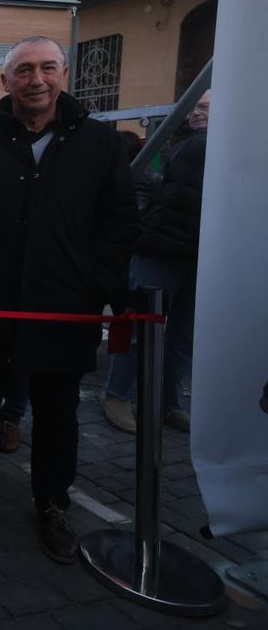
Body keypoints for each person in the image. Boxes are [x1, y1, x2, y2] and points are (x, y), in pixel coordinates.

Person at [0, 36, 138, 565]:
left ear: (65, 74)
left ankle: (52, 504)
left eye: (48, 68)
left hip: (62, 310)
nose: (36, 80)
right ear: (6, 81)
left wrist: (94, 283)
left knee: (57, 414)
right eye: (24, 70)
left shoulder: (101, 145)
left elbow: (118, 225)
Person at [102, 90, 210, 434]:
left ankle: (168, 403)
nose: (195, 113)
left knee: (182, 335)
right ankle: (117, 395)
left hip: (197, 252)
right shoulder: (197, 146)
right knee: (142, 327)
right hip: (164, 248)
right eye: (194, 107)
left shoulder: (192, 145)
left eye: (205, 107)